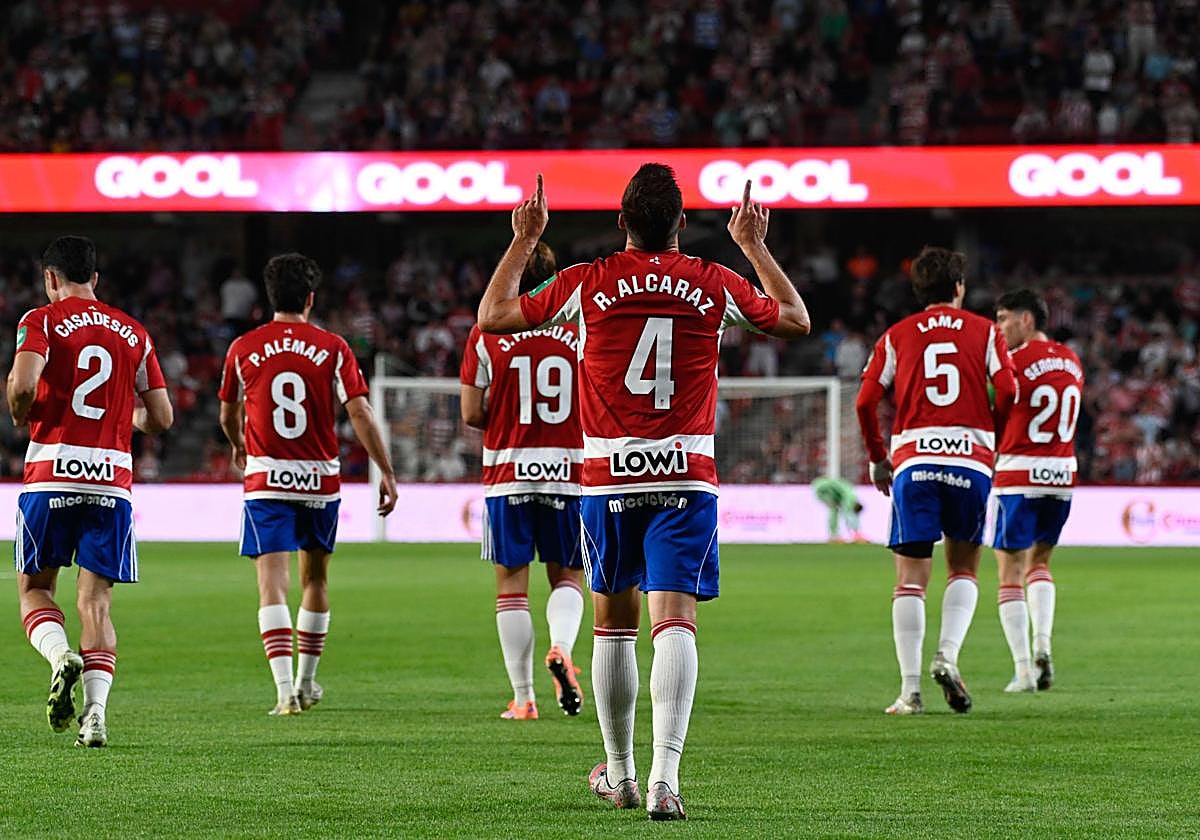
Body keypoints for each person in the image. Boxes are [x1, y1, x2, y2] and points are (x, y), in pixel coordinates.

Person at [477, 166, 811, 820]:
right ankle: (667, 779)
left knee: (615, 627)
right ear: (683, 223)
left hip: (608, 477)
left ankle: (621, 774)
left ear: (621, 221)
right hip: (686, 476)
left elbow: (493, 316)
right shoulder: (712, 281)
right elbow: (795, 319)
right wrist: (752, 244)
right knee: (676, 620)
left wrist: (526, 238)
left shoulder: (588, 281)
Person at [9, 235, 174, 748]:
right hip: (111, 482)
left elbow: (21, 386)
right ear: (95, 279)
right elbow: (163, 418)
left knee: (36, 590)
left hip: (52, 473)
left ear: (51, 278)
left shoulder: (41, 320)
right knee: (96, 603)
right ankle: (96, 716)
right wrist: (126, 415)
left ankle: (61, 658)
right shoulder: (134, 331)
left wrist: (21, 414)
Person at [218, 253, 398, 716]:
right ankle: (306, 681)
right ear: (311, 299)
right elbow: (359, 410)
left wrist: (239, 444)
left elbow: (227, 412)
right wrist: (385, 470)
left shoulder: (243, 347)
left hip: (267, 479)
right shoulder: (333, 347)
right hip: (320, 480)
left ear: (269, 297)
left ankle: (282, 693)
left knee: (270, 583)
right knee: (315, 579)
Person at [856, 246, 1016, 716]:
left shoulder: (897, 335)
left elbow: (865, 402)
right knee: (963, 568)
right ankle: (947, 654)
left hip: (914, 463)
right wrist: (994, 437)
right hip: (970, 462)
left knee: (910, 579)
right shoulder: (986, 332)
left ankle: (910, 691)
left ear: (918, 289)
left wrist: (878, 459)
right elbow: (1008, 389)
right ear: (960, 288)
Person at [459, 241, 586, 721]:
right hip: (570, 471)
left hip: (509, 471)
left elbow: (472, 412)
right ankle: (561, 647)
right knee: (567, 576)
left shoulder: (487, 332)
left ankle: (525, 698)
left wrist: (508, 411)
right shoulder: (581, 331)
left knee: (511, 588)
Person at [992, 289, 1083, 692]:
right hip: (1062, 473)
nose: (999, 328)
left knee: (1008, 569)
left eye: (1004, 319)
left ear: (1027, 320)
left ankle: (1025, 669)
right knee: (1040, 562)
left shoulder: (1013, 361)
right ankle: (1044, 643)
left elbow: (998, 404)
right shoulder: (1073, 361)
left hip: (1019, 472)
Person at [812, 475, 866, 542]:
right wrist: (856, 531)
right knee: (834, 510)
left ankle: (834, 535)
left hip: (824, 487)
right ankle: (835, 536)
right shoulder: (851, 498)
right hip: (824, 489)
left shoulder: (849, 495)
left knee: (834, 510)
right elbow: (849, 515)